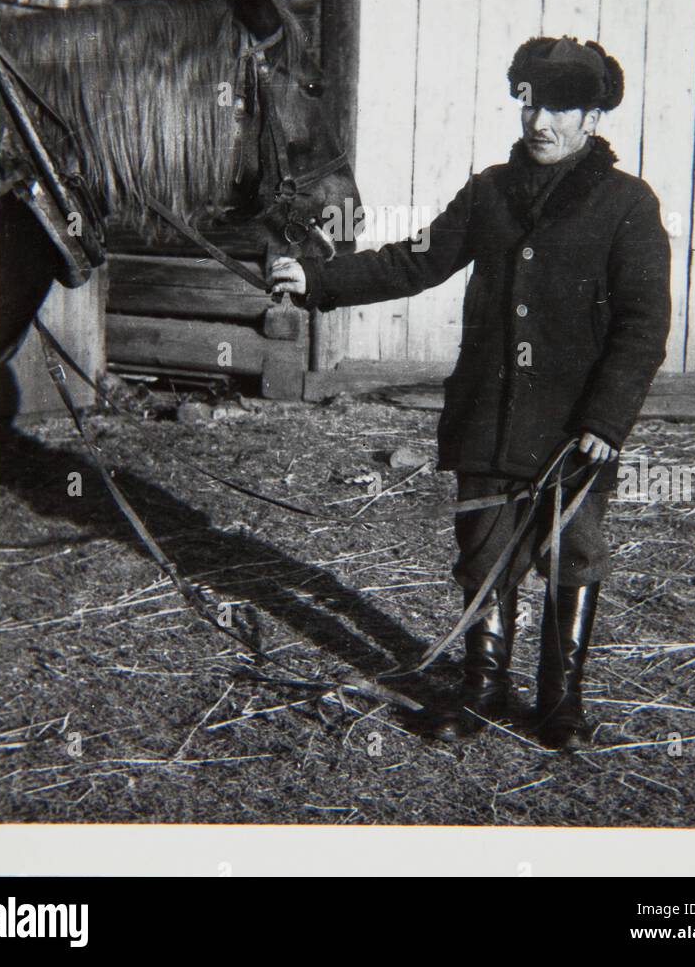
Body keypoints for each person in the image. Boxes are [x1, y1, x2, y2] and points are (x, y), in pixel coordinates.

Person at [269, 36, 672, 750]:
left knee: (570, 552)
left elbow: (643, 326)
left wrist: (607, 421)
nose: (540, 121)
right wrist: (320, 281)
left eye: (561, 108)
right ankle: (482, 687)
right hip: (488, 415)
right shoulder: (490, 190)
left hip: (575, 426)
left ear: (592, 119)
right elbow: (415, 260)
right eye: (531, 103)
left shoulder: (628, 205)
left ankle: (559, 702)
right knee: (484, 552)